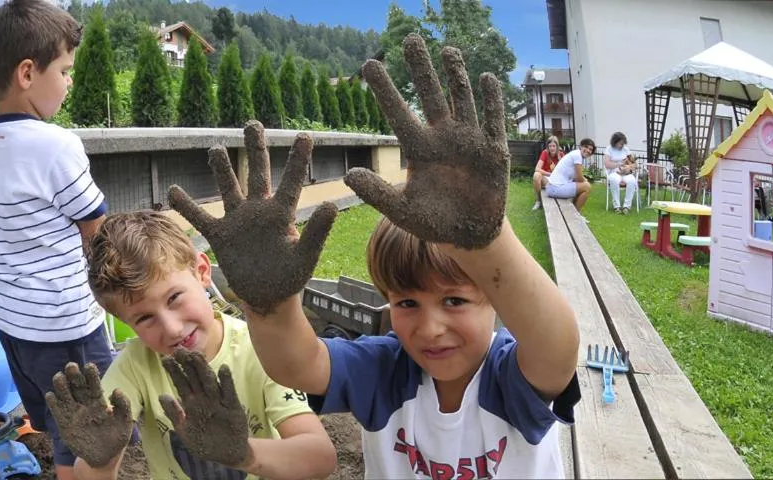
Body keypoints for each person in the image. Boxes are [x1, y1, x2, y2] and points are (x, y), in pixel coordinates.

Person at [167, 33, 581, 479]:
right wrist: (269, 305)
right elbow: (298, 365)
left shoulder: (509, 377)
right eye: (407, 303)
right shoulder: (387, 372)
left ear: (494, 300)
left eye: (454, 300)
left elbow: (555, 346)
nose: (430, 327)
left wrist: (486, 242)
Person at [44, 210, 338, 480]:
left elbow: (320, 457)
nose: (172, 328)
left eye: (174, 298)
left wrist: (244, 454)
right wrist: (102, 460)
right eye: (145, 318)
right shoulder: (135, 365)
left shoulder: (259, 349)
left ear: (202, 270)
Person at [0, 1, 113, 478]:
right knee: (95, 436)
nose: (70, 81)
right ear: (28, 73)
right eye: (66, 70)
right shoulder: (55, 144)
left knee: (59, 426)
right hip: (64, 326)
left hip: (13, 327)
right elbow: (99, 233)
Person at [546, 138, 596, 212]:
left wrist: (583, 180)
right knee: (587, 187)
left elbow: (577, 177)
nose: (588, 150)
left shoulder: (577, 154)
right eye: (586, 147)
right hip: (554, 188)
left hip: (553, 187)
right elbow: (579, 178)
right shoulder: (577, 155)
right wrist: (585, 180)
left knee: (582, 185)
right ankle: (576, 214)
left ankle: (573, 211)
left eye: (590, 149)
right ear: (581, 146)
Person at [605, 132, 638, 214]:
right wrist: (619, 164)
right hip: (614, 172)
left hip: (626, 172)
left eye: (623, 143)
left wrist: (628, 167)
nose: (622, 145)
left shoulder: (626, 150)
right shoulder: (609, 150)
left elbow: (634, 164)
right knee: (614, 180)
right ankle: (617, 206)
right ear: (615, 142)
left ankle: (627, 206)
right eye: (620, 144)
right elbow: (607, 164)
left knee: (632, 181)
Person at [532, 135, 563, 210]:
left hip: (556, 181)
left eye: (554, 146)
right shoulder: (545, 153)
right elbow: (537, 168)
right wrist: (550, 174)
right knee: (536, 175)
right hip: (546, 179)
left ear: (557, 146)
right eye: (550, 146)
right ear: (547, 147)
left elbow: (565, 171)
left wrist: (560, 160)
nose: (552, 148)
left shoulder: (561, 154)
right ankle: (538, 201)